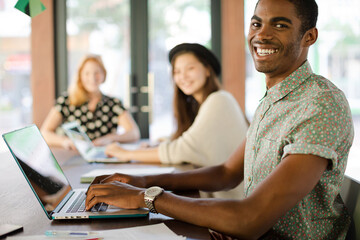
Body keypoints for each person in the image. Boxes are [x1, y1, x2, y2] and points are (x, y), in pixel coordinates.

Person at [85, 0, 354, 238]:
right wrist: (143, 182)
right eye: (256, 24)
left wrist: (146, 197)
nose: (262, 34)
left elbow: (250, 219)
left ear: (309, 37)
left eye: (280, 25)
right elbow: (226, 173)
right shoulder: (273, 99)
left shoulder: (320, 103)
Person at [104, 43, 249, 199]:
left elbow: (182, 149)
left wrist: (127, 153)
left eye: (190, 69)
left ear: (207, 70)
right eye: (177, 71)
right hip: (217, 198)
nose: (183, 76)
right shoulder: (205, 103)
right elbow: (192, 138)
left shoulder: (219, 100)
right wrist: (162, 141)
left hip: (231, 202)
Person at [41, 54, 140, 150]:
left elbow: (134, 133)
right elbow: (45, 132)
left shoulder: (114, 104)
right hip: (71, 159)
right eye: (87, 73)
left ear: (104, 75)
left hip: (104, 161)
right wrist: (66, 142)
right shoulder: (66, 101)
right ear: (80, 76)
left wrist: (110, 138)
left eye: (97, 73)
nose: (92, 78)